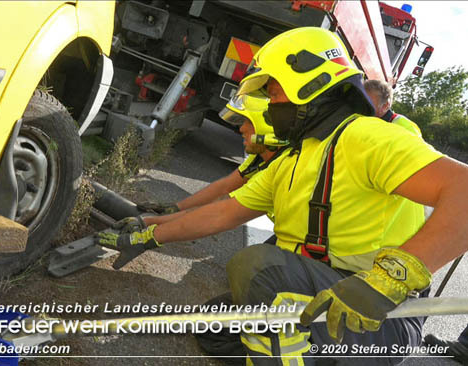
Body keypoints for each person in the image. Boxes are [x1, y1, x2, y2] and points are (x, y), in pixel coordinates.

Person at [96, 27, 468, 365]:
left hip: (380, 311)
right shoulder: (294, 159)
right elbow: (223, 212)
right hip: (327, 287)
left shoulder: (365, 137)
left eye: (274, 93)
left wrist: (390, 280)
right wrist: (149, 231)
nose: (271, 106)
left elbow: (463, 190)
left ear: (309, 84)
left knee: (257, 268)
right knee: (217, 330)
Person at [115, 93, 286, 235]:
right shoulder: (263, 157)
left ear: (268, 127)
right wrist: (176, 207)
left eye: (249, 122)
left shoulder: (277, 171)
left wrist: (151, 225)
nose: (241, 129)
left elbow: (219, 212)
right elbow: (224, 187)